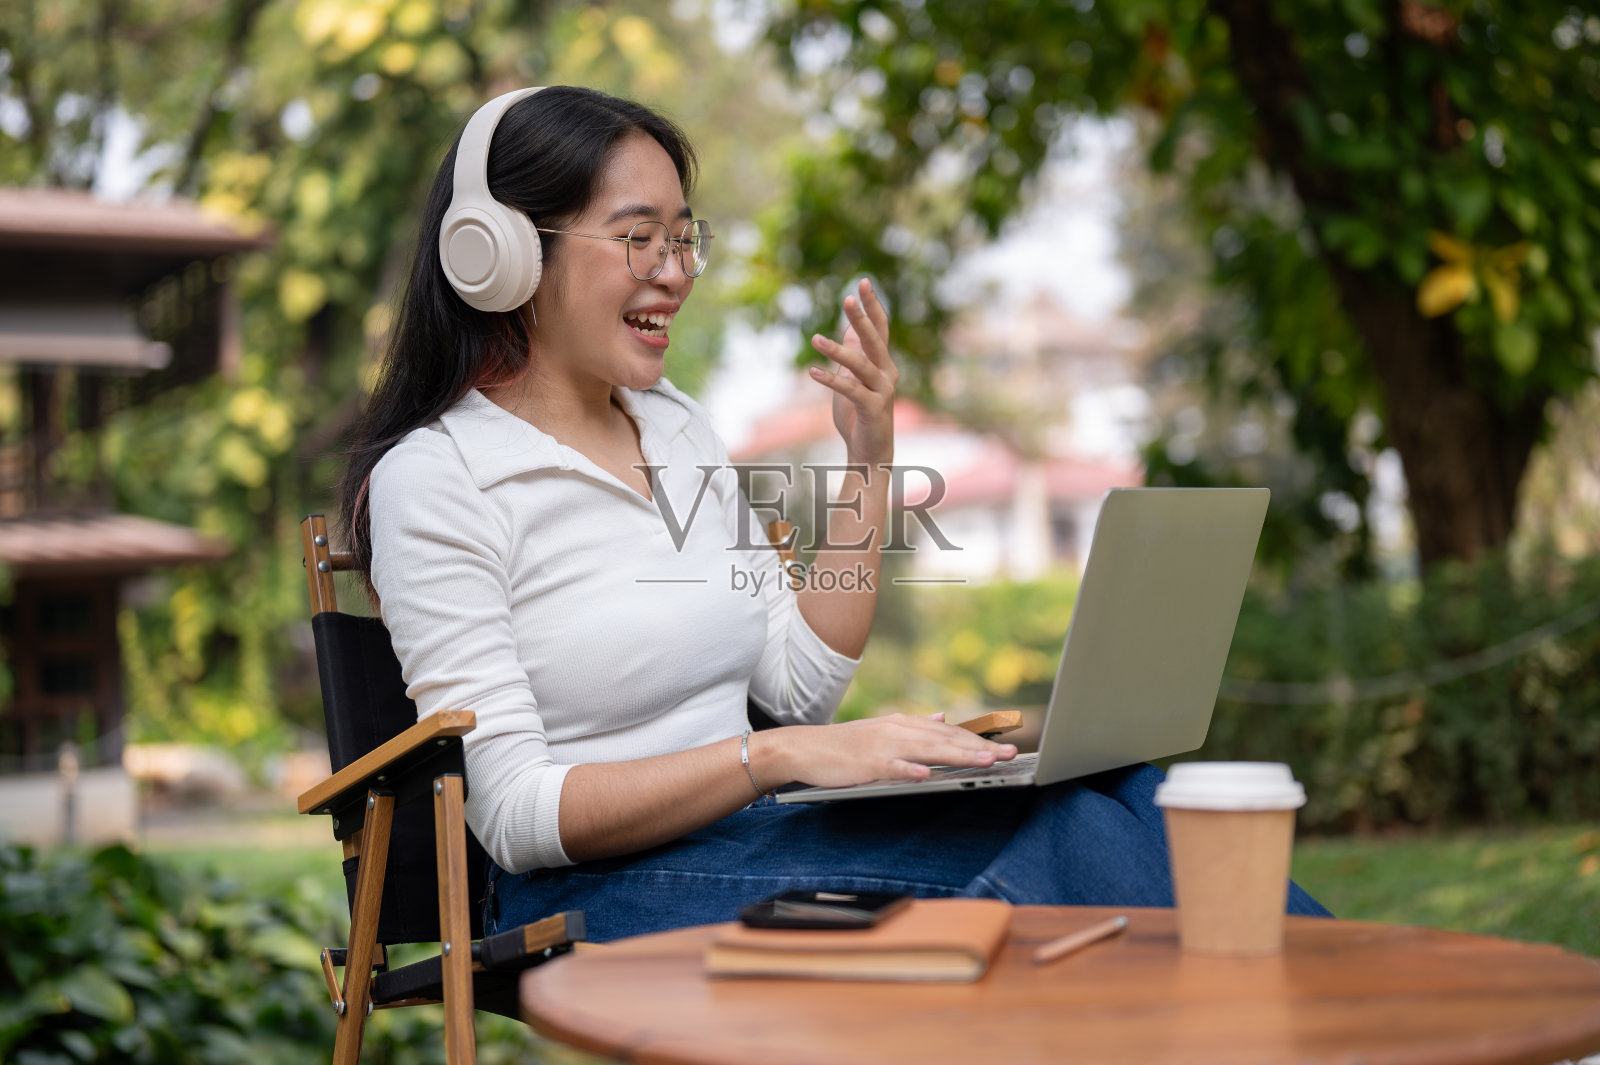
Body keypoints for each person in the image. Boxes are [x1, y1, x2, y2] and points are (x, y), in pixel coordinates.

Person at [339, 85, 1328, 942]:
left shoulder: (672, 427)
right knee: (1052, 850)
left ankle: (1369, 999)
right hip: (587, 893)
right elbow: (511, 814)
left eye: (685, 238)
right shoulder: (438, 479)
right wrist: (771, 759)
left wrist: (867, 463)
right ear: (499, 254)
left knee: (1125, 789)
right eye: (639, 236)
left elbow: (798, 684)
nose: (676, 270)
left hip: (752, 833)